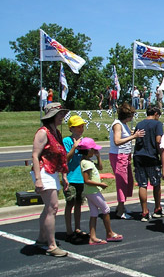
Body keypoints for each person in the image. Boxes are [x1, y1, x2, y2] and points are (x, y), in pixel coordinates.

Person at [31, 103, 70, 257]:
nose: (62, 117)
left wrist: (64, 175)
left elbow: (61, 156)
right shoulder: (43, 132)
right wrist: (38, 179)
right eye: (60, 114)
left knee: (49, 207)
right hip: (43, 171)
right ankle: (51, 245)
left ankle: (42, 239)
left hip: (52, 171)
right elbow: (35, 155)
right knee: (53, 207)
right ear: (52, 116)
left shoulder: (56, 132)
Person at [78, 138, 123, 245]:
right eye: (93, 150)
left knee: (94, 213)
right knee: (106, 209)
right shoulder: (86, 164)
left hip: (91, 191)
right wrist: (100, 184)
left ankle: (92, 237)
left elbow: (100, 167)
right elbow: (86, 180)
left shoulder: (88, 161)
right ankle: (109, 233)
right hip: (92, 191)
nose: (95, 151)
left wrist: (98, 157)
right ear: (88, 150)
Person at [109, 103, 145, 219]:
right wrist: (134, 137)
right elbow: (117, 141)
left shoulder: (124, 124)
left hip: (126, 156)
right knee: (122, 182)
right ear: (127, 115)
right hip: (119, 156)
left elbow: (129, 134)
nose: (132, 118)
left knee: (128, 181)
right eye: (131, 115)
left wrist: (134, 133)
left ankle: (122, 206)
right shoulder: (117, 125)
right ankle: (120, 210)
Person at [134, 106, 164, 222]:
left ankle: (144, 211)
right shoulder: (157, 124)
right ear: (156, 113)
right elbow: (158, 140)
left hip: (138, 156)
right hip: (151, 156)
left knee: (142, 184)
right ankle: (157, 208)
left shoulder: (139, 124)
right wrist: (161, 154)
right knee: (156, 183)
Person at [63, 115, 88, 244]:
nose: (80, 129)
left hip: (80, 178)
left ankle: (77, 228)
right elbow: (66, 159)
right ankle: (69, 231)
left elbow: (86, 158)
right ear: (71, 128)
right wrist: (74, 146)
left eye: (82, 126)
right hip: (70, 177)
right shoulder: (66, 141)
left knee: (79, 203)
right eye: (78, 127)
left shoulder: (83, 140)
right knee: (70, 203)